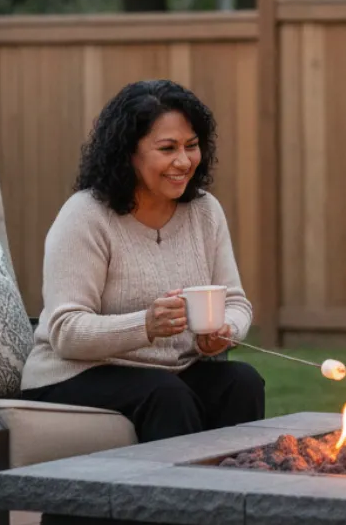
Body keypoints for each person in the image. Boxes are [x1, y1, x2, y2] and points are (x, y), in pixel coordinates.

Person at [19, 78, 265, 441]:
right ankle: (178, 482)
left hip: (168, 374)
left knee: (242, 381)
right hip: (74, 374)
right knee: (166, 395)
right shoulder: (85, 216)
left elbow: (236, 303)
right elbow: (65, 332)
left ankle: (234, 480)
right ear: (128, 153)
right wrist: (146, 325)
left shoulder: (205, 211)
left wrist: (224, 332)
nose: (184, 161)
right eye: (167, 148)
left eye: (192, 146)